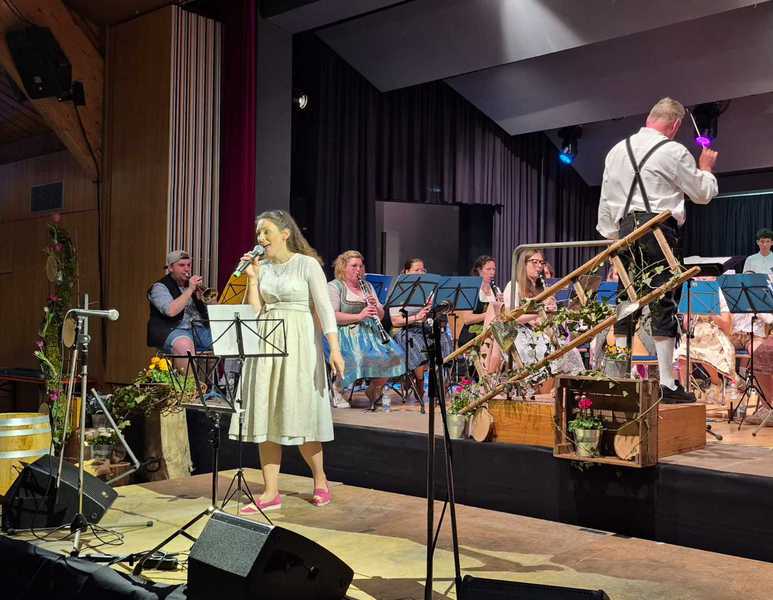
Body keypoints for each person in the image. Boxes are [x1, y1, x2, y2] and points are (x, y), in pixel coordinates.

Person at [596, 97, 719, 403]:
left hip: (624, 232)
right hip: (658, 230)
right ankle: (666, 383)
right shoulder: (673, 151)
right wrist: (705, 169)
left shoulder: (617, 150)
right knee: (664, 301)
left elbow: (606, 200)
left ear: (649, 118)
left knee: (627, 301)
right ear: (675, 125)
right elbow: (702, 194)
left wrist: (613, 240)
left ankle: (620, 377)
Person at [233, 210, 345, 512]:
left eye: (266, 232)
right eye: (258, 233)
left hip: (299, 344)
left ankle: (320, 480)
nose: (260, 238)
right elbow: (255, 312)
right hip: (267, 342)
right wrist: (252, 279)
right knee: (266, 415)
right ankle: (270, 491)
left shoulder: (307, 264)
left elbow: (324, 309)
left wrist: (334, 349)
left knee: (301, 412)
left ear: (285, 234)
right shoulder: (263, 267)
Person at [486, 250, 584, 376]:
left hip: (539, 334)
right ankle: (543, 384)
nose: (539, 266)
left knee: (571, 352)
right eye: (535, 262)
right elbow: (511, 318)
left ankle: (565, 386)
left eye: (541, 263)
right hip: (519, 336)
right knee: (550, 354)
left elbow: (544, 318)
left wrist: (552, 311)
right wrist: (540, 312)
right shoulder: (514, 285)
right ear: (524, 264)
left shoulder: (541, 288)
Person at [328, 251, 405, 410]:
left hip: (370, 332)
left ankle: (373, 388)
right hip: (345, 333)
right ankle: (337, 389)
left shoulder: (368, 286)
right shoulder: (335, 286)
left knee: (396, 355)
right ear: (343, 267)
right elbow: (332, 316)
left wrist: (375, 306)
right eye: (354, 266)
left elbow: (381, 315)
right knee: (358, 356)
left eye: (361, 266)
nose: (358, 269)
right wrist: (359, 316)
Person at [390, 258, 452, 401]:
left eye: (422, 270)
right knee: (417, 345)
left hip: (425, 327)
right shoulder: (399, 290)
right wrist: (416, 317)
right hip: (406, 329)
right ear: (406, 272)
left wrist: (435, 309)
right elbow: (395, 321)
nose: (421, 273)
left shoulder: (429, 290)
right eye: (416, 270)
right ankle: (419, 382)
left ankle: (440, 384)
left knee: (444, 341)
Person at [147, 250, 212, 372]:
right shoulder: (159, 287)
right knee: (184, 346)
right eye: (181, 265)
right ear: (170, 268)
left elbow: (213, 312)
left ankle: (227, 380)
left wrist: (206, 301)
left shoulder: (193, 286)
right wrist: (190, 290)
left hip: (198, 329)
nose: (186, 269)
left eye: (189, 265)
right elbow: (170, 311)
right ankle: (191, 383)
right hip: (172, 330)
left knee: (231, 341)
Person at [458, 255, 502, 347]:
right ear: (479, 270)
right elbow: (467, 319)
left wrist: (501, 306)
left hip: (491, 334)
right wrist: (490, 314)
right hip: (472, 336)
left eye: (494, 269)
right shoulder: (471, 290)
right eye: (488, 269)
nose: (492, 272)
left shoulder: (496, 290)